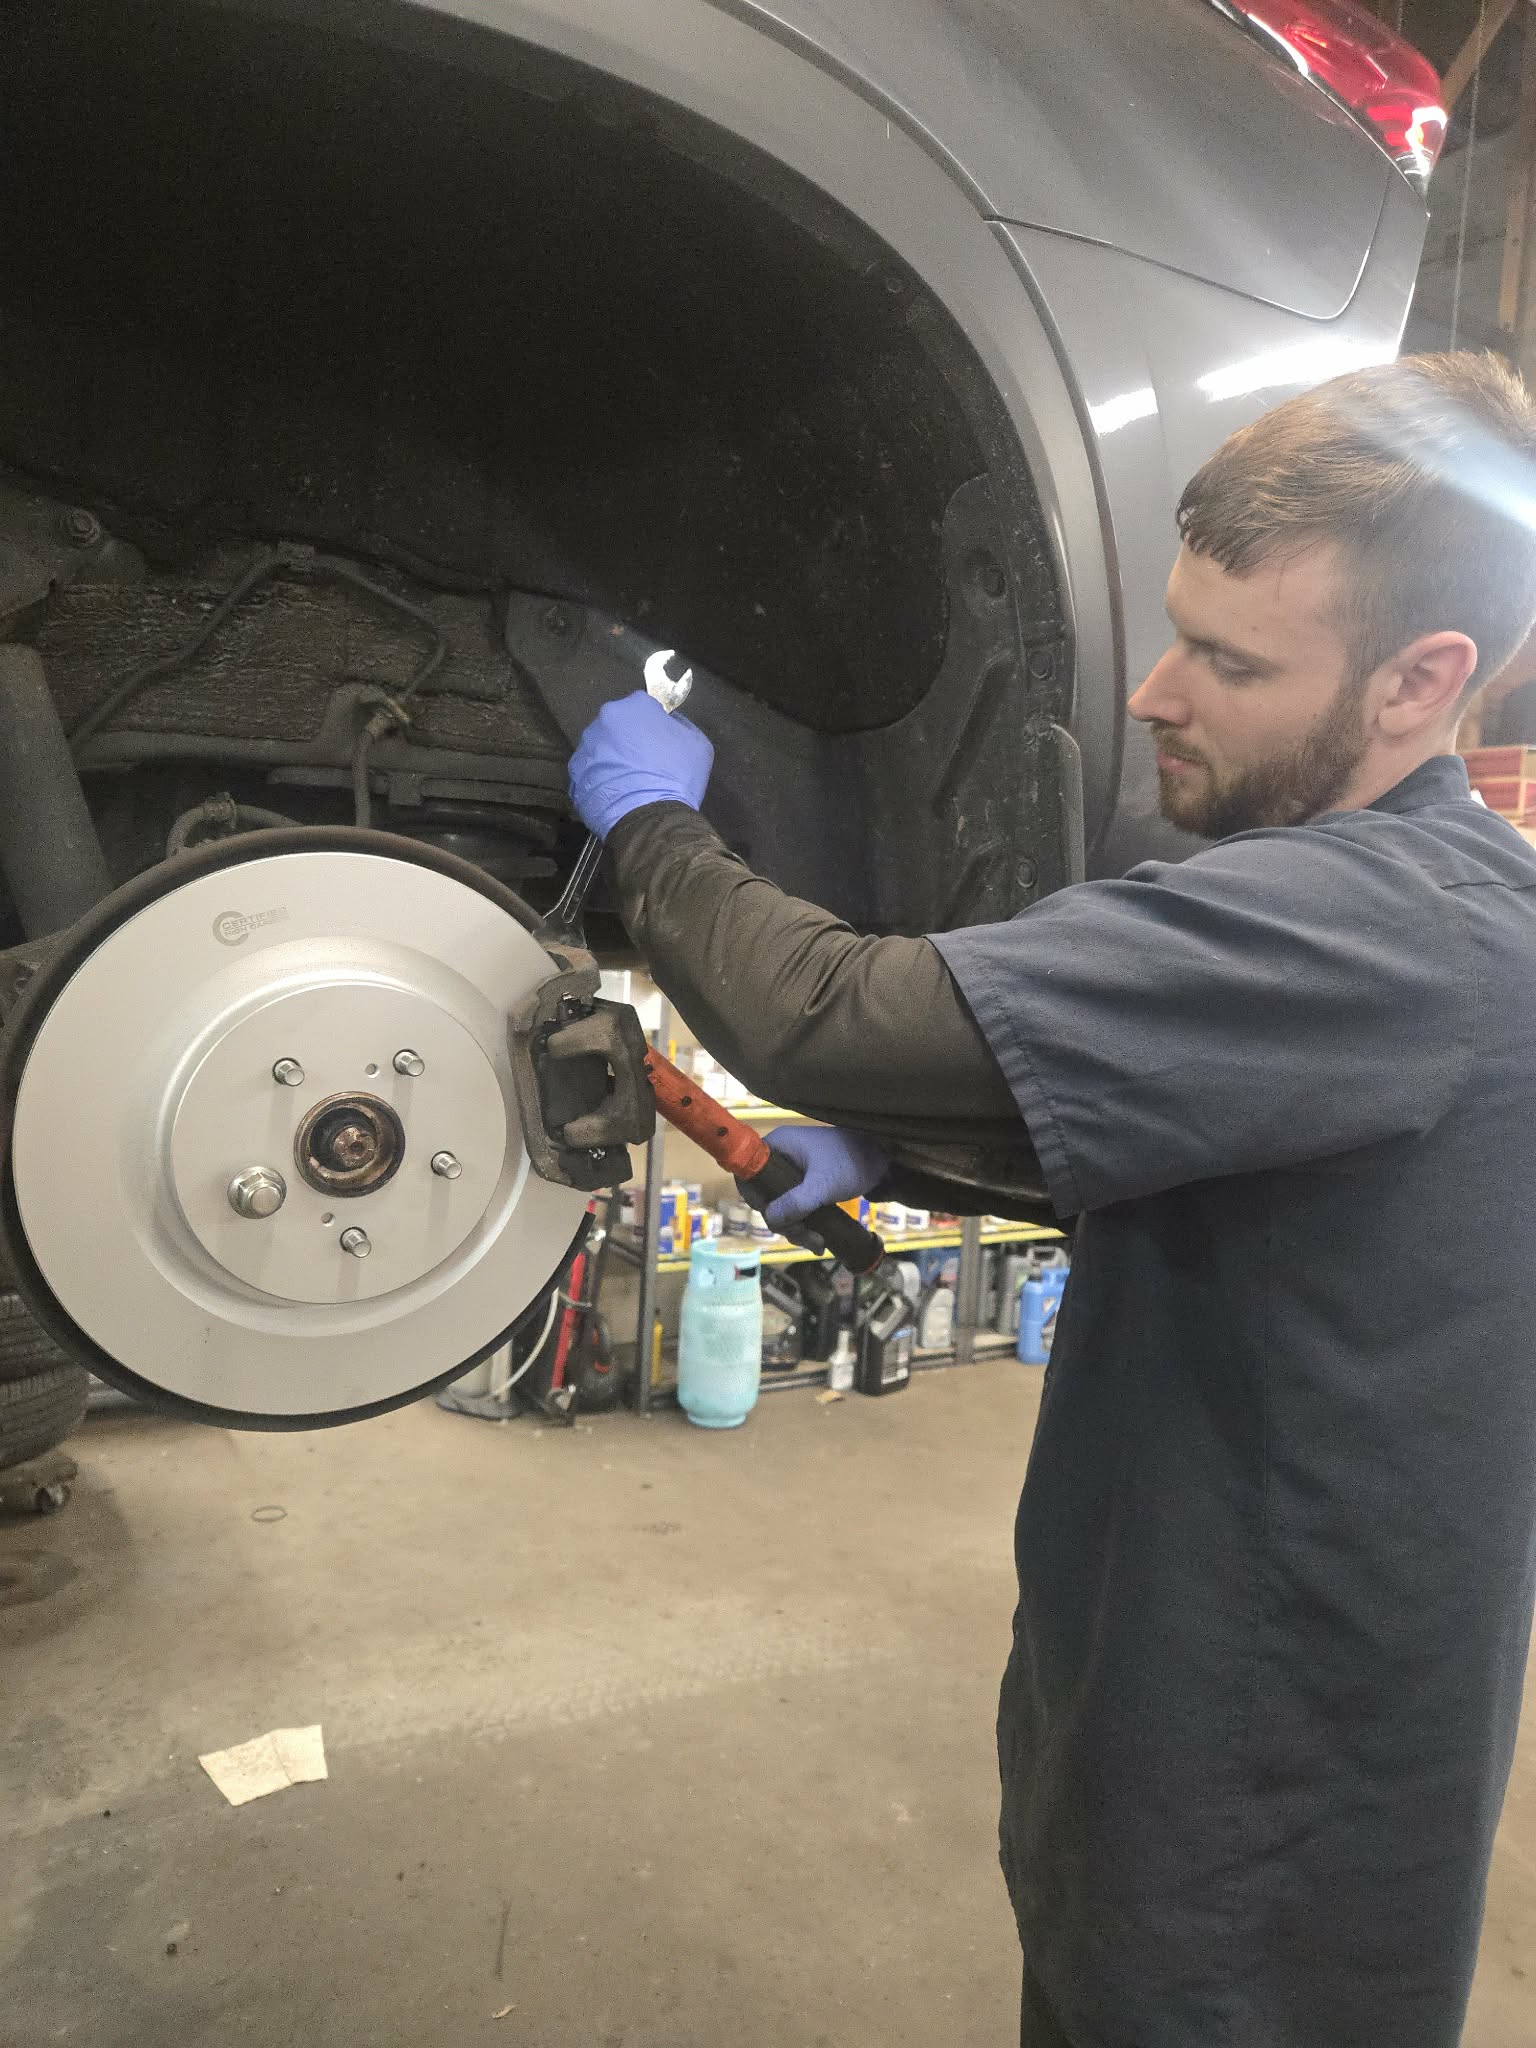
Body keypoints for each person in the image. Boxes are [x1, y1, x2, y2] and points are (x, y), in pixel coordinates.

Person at [566, 353, 1536, 2048]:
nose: (1156, 691)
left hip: (1268, 1818)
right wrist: (906, 1154)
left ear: (1421, 681)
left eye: (1230, 661)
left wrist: (656, 830)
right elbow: (1235, 1146)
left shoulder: (1389, 920)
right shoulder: (1404, 919)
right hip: (1180, 1694)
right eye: (1177, 628)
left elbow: (825, 1011)